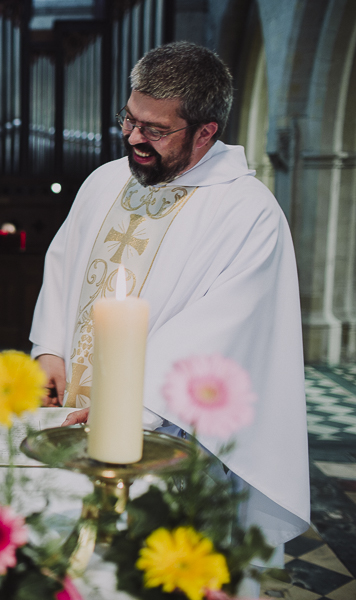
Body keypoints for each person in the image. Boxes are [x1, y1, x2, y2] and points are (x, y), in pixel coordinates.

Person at [29, 42, 310, 549]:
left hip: (171, 438)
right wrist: (51, 349)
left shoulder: (247, 211)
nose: (134, 138)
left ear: (206, 132)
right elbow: (64, 263)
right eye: (129, 119)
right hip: (72, 415)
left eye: (155, 130)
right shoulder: (105, 181)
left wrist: (127, 403)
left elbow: (225, 329)